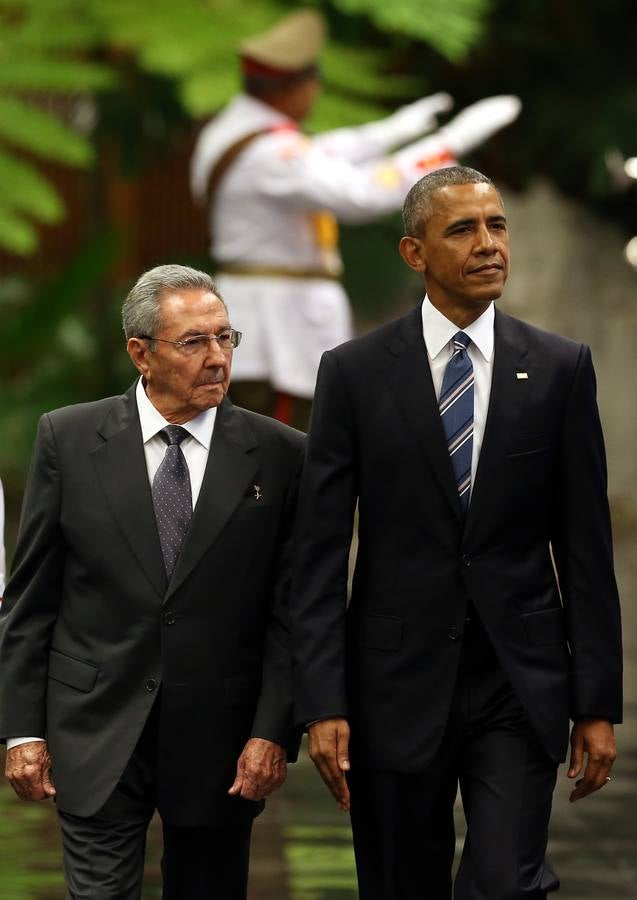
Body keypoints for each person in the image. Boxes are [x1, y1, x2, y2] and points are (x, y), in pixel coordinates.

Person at [290, 166, 623, 899]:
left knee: (504, 881)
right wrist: (322, 702)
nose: (487, 245)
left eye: (496, 226)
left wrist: (595, 703)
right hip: (391, 683)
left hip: (519, 678)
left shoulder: (561, 367)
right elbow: (314, 555)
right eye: (462, 229)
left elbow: (584, 548)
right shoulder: (353, 374)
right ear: (415, 254)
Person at [0, 264, 304, 900]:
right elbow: (31, 598)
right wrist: (22, 729)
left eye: (226, 338)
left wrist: (273, 729)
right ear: (140, 353)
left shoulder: (280, 453)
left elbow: (293, 610)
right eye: (195, 342)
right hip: (95, 726)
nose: (218, 358)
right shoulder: (69, 437)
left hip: (223, 742)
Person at [191, 9, 521, 428]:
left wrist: (395, 130)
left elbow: (324, 151)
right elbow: (362, 193)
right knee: (284, 451)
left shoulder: (234, 131)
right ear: (290, 88)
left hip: (268, 313)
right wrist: (446, 145)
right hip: (280, 328)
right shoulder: (271, 154)